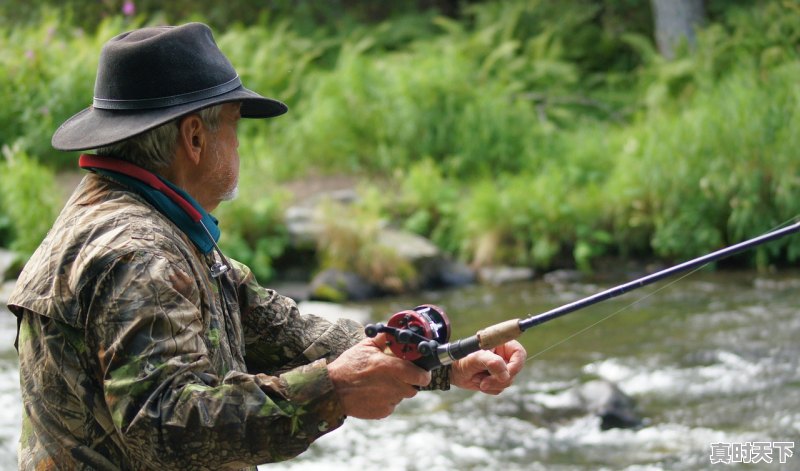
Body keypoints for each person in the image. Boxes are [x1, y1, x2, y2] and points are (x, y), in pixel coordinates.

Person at [7, 22, 526, 470]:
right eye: (235, 126)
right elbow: (165, 425)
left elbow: (282, 331)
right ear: (194, 138)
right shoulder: (139, 252)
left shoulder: (138, 222)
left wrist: (440, 360)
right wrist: (334, 390)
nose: (237, 145)